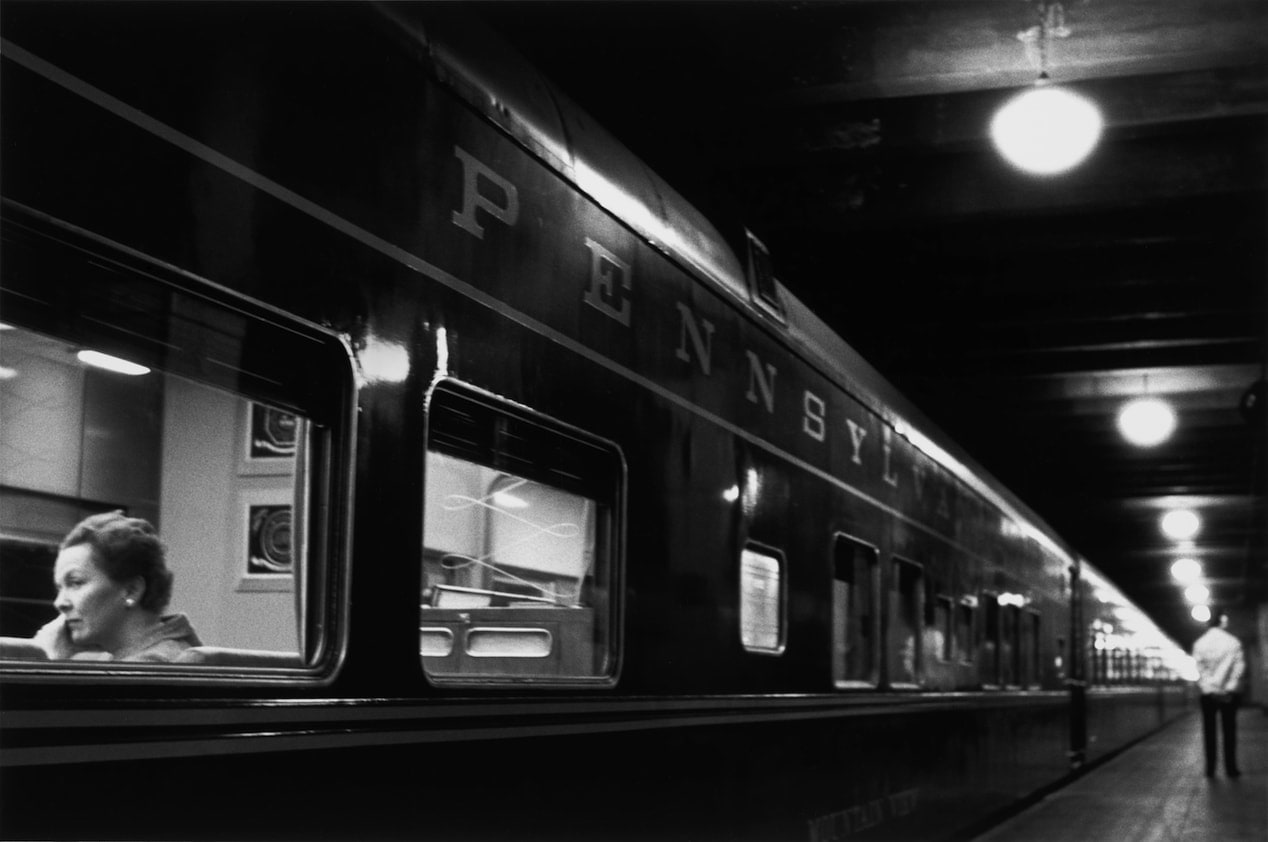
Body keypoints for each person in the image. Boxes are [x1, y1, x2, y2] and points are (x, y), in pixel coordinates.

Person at [32, 511, 202, 662]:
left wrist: (46, 660)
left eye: (76, 583)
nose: (59, 602)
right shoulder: (162, 653)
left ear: (131, 590)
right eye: (59, 588)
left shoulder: (147, 668)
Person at [1191, 610, 1245, 778]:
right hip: (1228, 694)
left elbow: (1200, 670)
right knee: (1229, 731)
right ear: (1222, 621)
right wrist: (1229, 687)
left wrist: (1209, 688)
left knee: (1209, 731)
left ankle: (1210, 769)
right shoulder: (1233, 642)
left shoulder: (1199, 643)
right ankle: (1231, 768)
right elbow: (1239, 667)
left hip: (1208, 695)